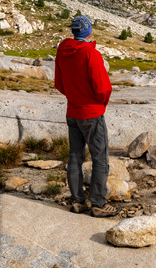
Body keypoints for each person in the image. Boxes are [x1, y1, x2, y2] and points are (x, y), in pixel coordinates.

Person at [54, 14, 120, 217]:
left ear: (74, 31)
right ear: (89, 30)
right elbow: (103, 88)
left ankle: (77, 201)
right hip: (91, 113)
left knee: (75, 157)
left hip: (72, 112)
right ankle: (99, 204)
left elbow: (59, 84)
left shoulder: (62, 52)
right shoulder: (91, 54)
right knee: (100, 158)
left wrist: (74, 97)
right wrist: (99, 105)